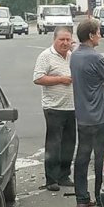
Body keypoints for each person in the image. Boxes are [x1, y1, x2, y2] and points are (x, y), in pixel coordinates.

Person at [70, 19, 104, 207]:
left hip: (82, 116)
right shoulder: (96, 58)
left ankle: (81, 197)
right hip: (99, 115)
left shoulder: (74, 56)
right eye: (98, 32)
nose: (100, 35)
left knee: (82, 155)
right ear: (90, 35)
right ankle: (100, 198)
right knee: (100, 157)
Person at [33, 26, 77, 192]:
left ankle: (64, 176)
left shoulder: (72, 56)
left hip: (72, 106)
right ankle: (51, 179)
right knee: (54, 145)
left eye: (68, 39)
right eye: (62, 40)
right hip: (54, 107)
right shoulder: (46, 56)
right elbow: (38, 78)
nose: (65, 43)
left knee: (69, 143)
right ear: (54, 40)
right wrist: (60, 79)